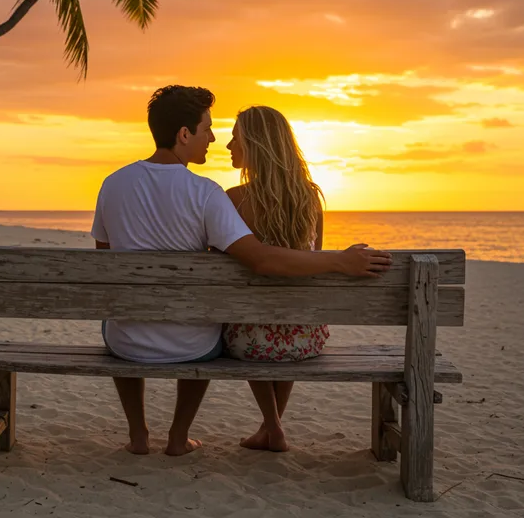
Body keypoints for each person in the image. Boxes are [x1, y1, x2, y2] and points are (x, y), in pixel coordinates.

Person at [91, 86, 391, 457]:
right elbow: (260, 258)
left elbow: (104, 263)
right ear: (184, 134)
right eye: (207, 129)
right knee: (210, 325)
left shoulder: (112, 184)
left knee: (119, 317)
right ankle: (179, 435)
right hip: (196, 345)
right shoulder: (208, 193)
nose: (214, 139)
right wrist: (340, 261)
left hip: (127, 343)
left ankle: (138, 435)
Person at [223, 106, 333, 453]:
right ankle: (271, 429)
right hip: (306, 339)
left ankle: (272, 427)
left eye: (235, 138)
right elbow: (312, 262)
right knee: (286, 316)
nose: (228, 145)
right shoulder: (310, 198)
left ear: (255, 145)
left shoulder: (235, 200)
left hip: (247, 341)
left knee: (248, 323)